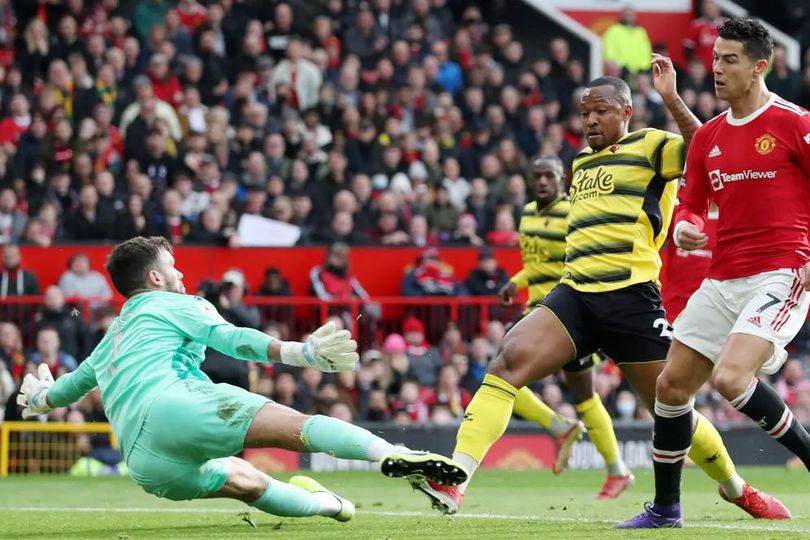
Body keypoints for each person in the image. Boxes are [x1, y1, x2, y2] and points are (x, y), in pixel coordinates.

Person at [416, 58, 786, 521]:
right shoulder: (581, 162)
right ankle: (456, 479)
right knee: (507, 361)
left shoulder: (652, 145)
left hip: (631, 298)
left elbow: (708, 147)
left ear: (626, 112)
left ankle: (736, 488)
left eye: (601, 110)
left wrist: (671, 98)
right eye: (585, 112)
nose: (590, 119)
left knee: (671, 409)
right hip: (575, 294)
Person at [16, 236, 466, 522]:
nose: (181, 273)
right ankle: (398, 455)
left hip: (146, 465)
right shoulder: (175, 302)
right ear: (155, 277)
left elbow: (67, 388)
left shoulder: (110, 338)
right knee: (299, 428)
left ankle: (336, 507)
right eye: (173, 266)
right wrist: (299, 352)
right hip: (176, 405)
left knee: (247, 482)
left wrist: (38, 399)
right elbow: (231, 339)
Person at [620, 18, 808, 529]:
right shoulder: (709, 139)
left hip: (781, 270)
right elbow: (691, 205)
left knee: (729, 377)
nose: (717, 69)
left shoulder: (795, 123)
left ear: (759, 67)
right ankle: (665, 510)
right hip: (722, 279)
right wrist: (685, 227)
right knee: (671, 388)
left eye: (729, 60)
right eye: (715, 58)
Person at [497, 154, 632, 498]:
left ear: (563, 179)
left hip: (566, 314)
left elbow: (578, 261)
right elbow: (537, 261)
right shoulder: (527, 213)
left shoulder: (573, 212)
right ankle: (613, 467)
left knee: (505, 378)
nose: (543, 182)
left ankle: (566, 432)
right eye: (537, 176)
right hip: (537, 310)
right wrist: (516, 281)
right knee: (511, 378)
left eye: (549, 176)